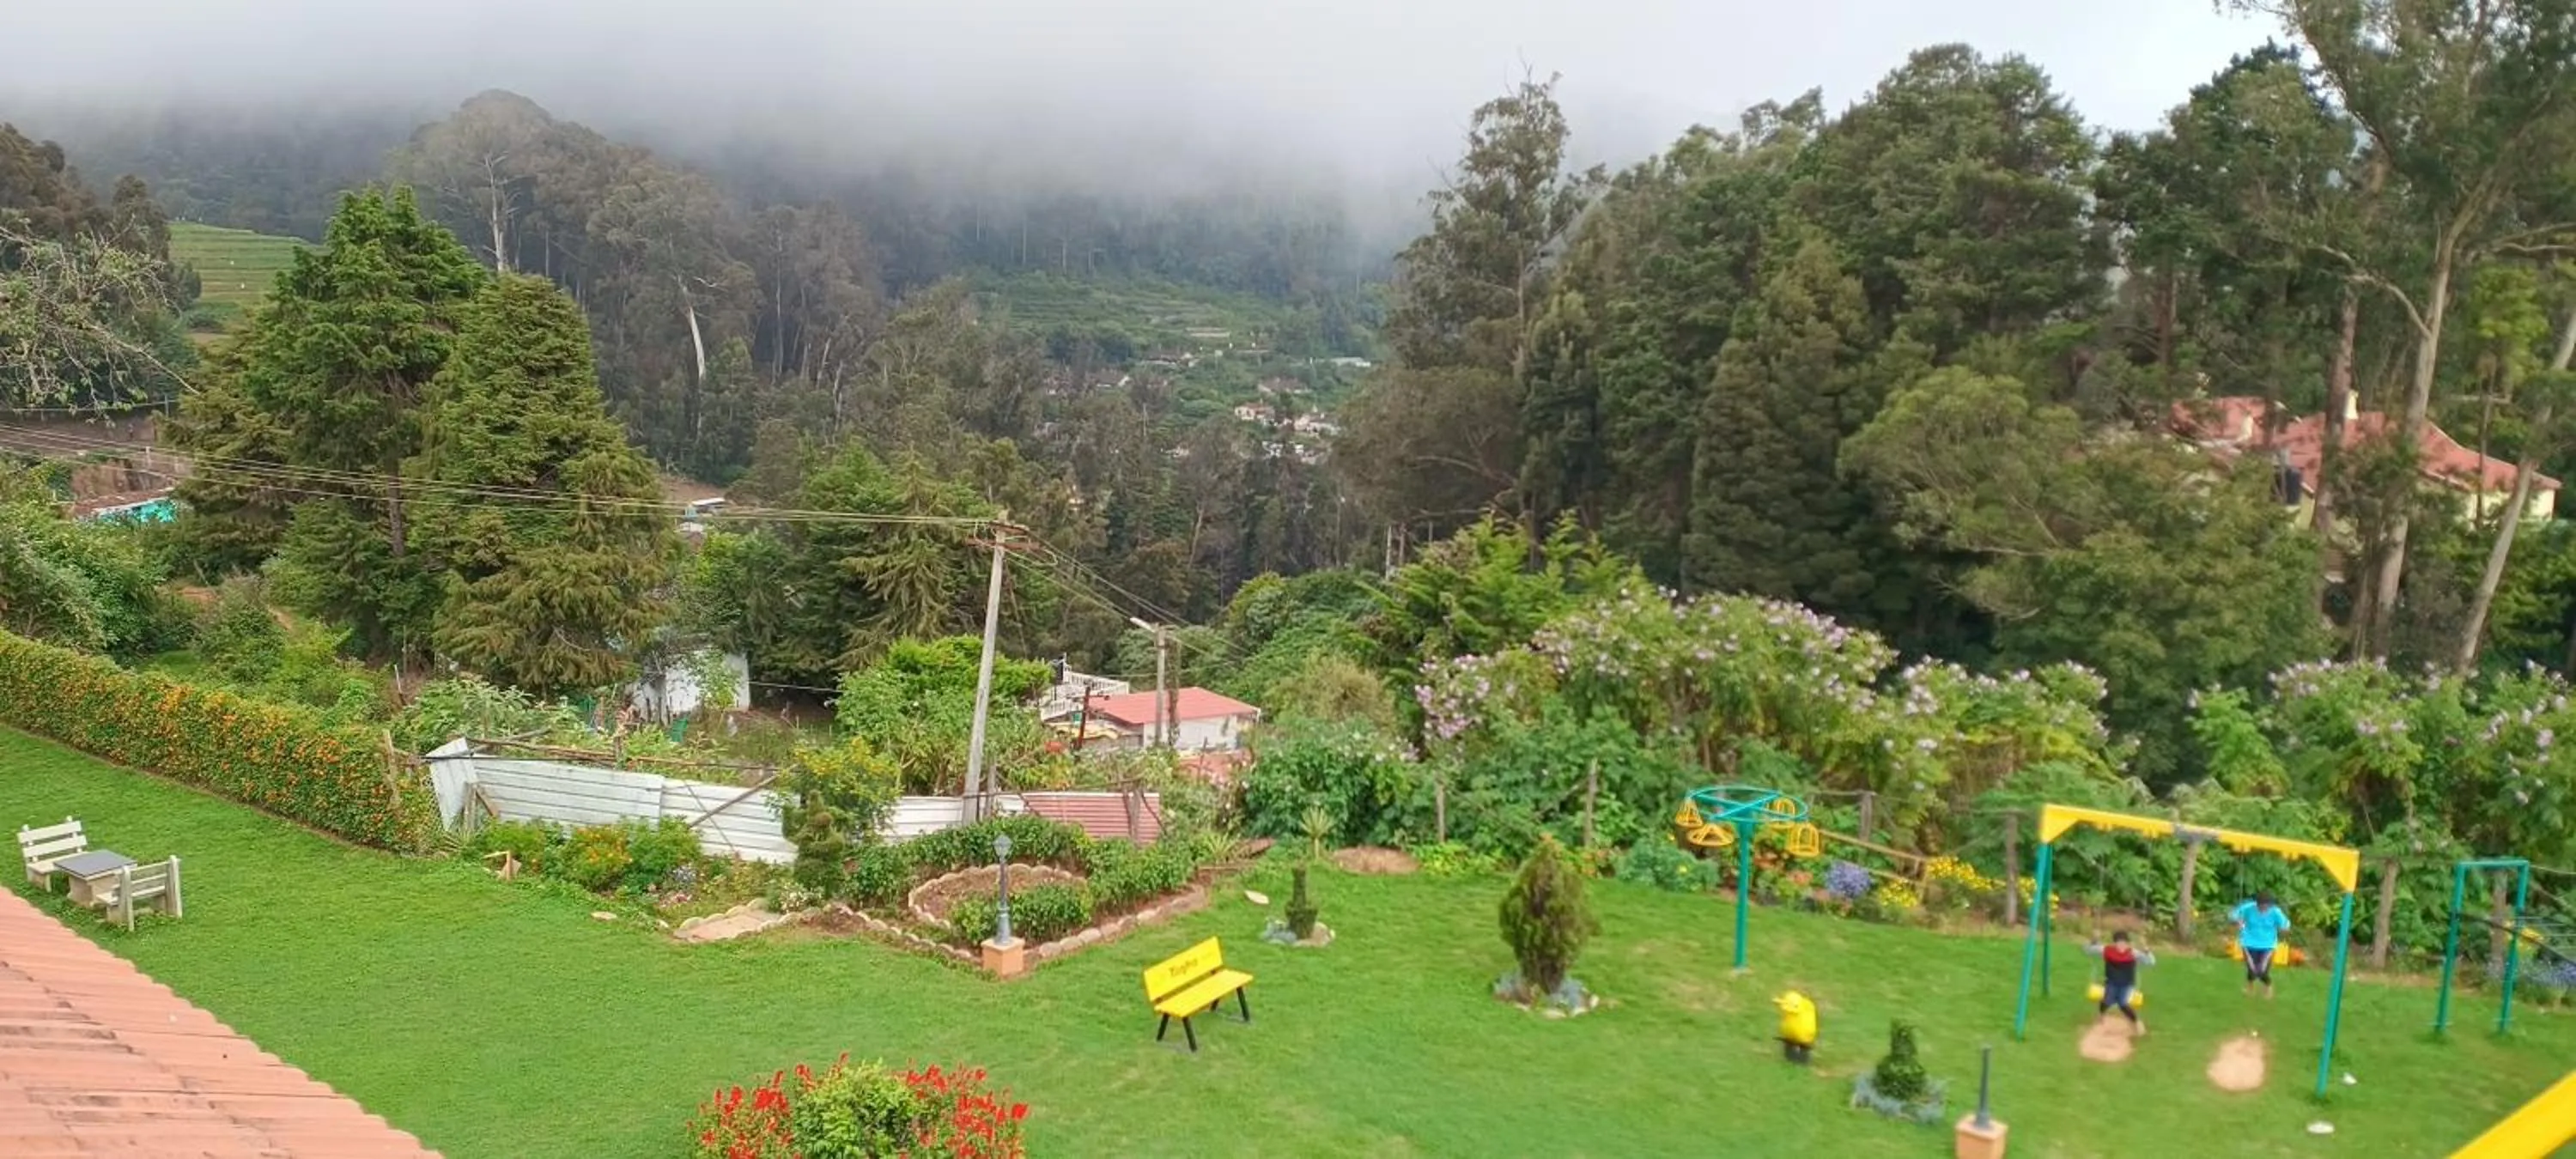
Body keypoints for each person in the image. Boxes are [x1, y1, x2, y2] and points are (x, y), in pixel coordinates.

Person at [2085, 931, 2154, 1036]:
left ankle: (2137, 1023)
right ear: (2114, 943)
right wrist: (2094, 939)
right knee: (2107, 1000)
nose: (2121, 946)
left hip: (2127, 984)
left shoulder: (2133, 953)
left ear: (2128, 943)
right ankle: (2101, 1015)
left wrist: (2145, 948)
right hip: (2112, 981)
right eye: (2119, 943)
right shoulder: (2107, 950)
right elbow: (2088, 950)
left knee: (2123, 1003)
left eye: (2124, 943)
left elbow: (2151, 962)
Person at [2232, 891, 2292, 998]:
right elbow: (2234, 915)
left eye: (2266, 907)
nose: (2263, 909)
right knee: (2252, 969)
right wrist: (2238, 921)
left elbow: (2286, 924)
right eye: (2261, 906)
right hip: (2248, 943)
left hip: (2267, 945)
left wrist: (2285, 929)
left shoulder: (2276, 912)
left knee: (2262, 971)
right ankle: (2250, 988)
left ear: (2270, 905)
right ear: (2257, 904)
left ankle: (2268, 986)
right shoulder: (2248, 908)